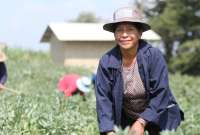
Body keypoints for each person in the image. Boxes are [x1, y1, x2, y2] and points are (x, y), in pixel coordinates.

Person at [95, 7, 184, 135]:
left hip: (161, 117)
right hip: (128, 119)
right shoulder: (107, 61)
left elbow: (161, 93)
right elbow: (104, 99)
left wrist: (142, 121)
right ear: (114, 34)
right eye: (119, 30)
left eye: (130, 29)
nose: (124, 35)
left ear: (140, 33)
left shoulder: (153, 56)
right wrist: (109, 130)